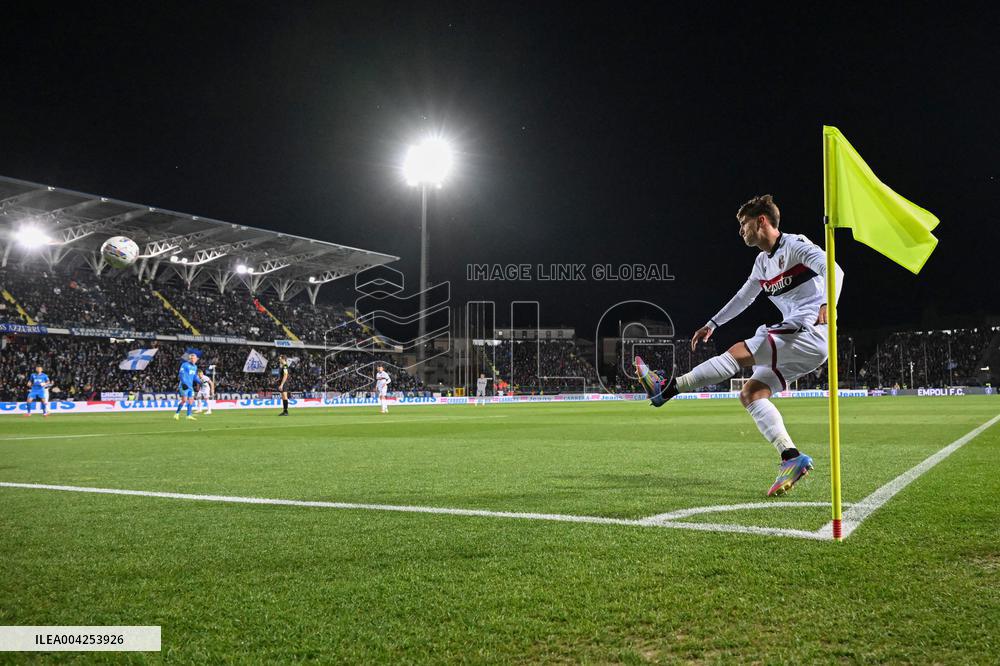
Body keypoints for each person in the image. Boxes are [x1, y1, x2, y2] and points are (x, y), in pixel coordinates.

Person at [636, 194, 843, 496]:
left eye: (744, 224)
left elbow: (834, 270)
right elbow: (744, 297)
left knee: (736, 353)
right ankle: (791, 457)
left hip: (809, 328)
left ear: (762, 221)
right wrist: (712, 323)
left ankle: (664, 390)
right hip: (804, 343)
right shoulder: (762, 263)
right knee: (751, 393)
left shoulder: (795, 245)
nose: (740, 231)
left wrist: (827, 302)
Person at [174, 352, 200, 421]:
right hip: (183, 385)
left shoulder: (195, 367)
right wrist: (183, 383)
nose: (192, 359)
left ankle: (188, 415)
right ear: (189, 359)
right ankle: (177, 413)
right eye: (191, 358)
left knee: (191, 400)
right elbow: (180, 374)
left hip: (190, 387)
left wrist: (201, 382)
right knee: (184, 400)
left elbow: (194, 377)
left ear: (196, 359)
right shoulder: (185, 365)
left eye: (194, 358)